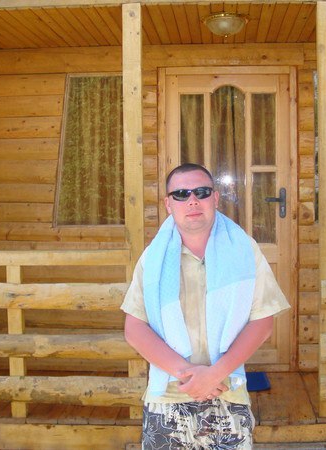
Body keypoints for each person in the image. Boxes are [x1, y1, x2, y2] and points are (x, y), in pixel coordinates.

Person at [122, 163, 290, 449]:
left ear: (215, 198)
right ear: (168, 204)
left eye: (201, 192)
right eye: (181, 194)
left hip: (227, 390)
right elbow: (134, 328)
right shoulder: (153, 258)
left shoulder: (244, 250)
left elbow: (262, 321)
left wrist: (214, 374)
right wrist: (190, 376)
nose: (192, 200)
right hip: (168, 395)